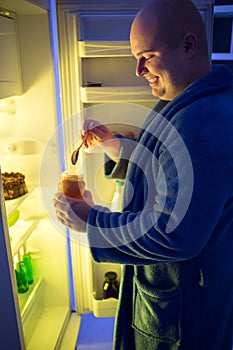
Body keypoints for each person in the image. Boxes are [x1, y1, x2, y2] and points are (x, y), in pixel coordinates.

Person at [53, 0, 233, 349]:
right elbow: (172, 170)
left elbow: (175, 235)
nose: (138, 70)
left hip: (185, 315)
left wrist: (92, 223)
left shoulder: (199, 126)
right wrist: (117, 149)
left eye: (147, 55)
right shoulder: (188, 98)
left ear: (189, 45)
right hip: (185, 292)